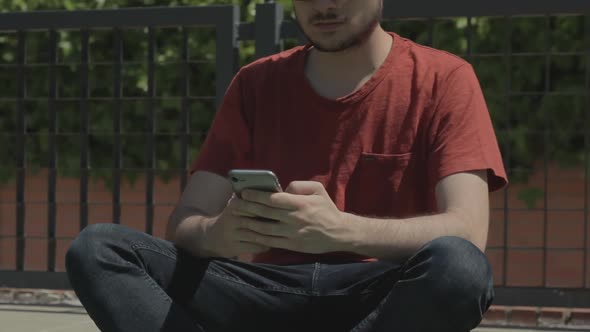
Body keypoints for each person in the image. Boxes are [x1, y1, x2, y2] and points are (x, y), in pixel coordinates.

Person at [66, 0, 508, 331]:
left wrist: (342, 230)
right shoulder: (256, 82)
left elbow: (468, 231)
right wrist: (219, 233)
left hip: (381, 297)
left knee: (461, 268)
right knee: (98, 249)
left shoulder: (444, 78)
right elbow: (185, 223)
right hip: (263, 289)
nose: (324, 4)